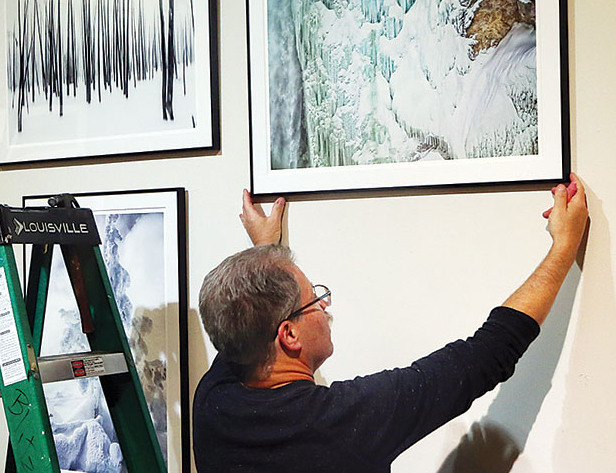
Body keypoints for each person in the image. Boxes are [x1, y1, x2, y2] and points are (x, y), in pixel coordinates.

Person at [193, 174, 589, 472]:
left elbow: (242, 312)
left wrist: (267, 252)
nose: (326, 305)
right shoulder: (344, 422)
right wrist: (563, 247)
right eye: (315, 298)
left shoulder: (212, 400)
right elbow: (487, 353)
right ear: (289, 334)